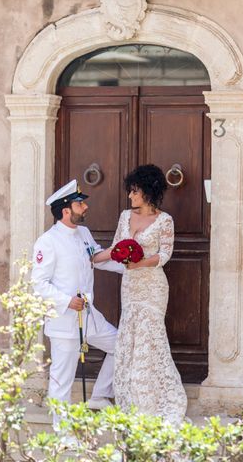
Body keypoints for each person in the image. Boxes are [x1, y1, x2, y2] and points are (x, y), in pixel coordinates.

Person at [93, 164, 187, 424]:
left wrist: (139, 263)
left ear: (148, 191)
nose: (130, 196)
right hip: (130, 286)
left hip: (153, 287)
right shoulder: (125, 216)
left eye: (134, 191)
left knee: (149, 340)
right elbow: (115, 248)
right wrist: (90, 258)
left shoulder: (164, 220)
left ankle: (154, 399)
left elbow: (165, 254)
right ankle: (131, 396)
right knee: (130, 338)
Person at [31, 179, 124, 428]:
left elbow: (95, 257)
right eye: (80, 204)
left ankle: (99, 396)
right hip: (64, 321)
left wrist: (128, 266)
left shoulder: (83, 233)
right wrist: (66, 301)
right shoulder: (47, 242)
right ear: (66, 210)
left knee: (122, 345)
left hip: (89, 316)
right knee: (62, 379)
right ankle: (62, 432)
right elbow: (38, 283)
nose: (85, 207)